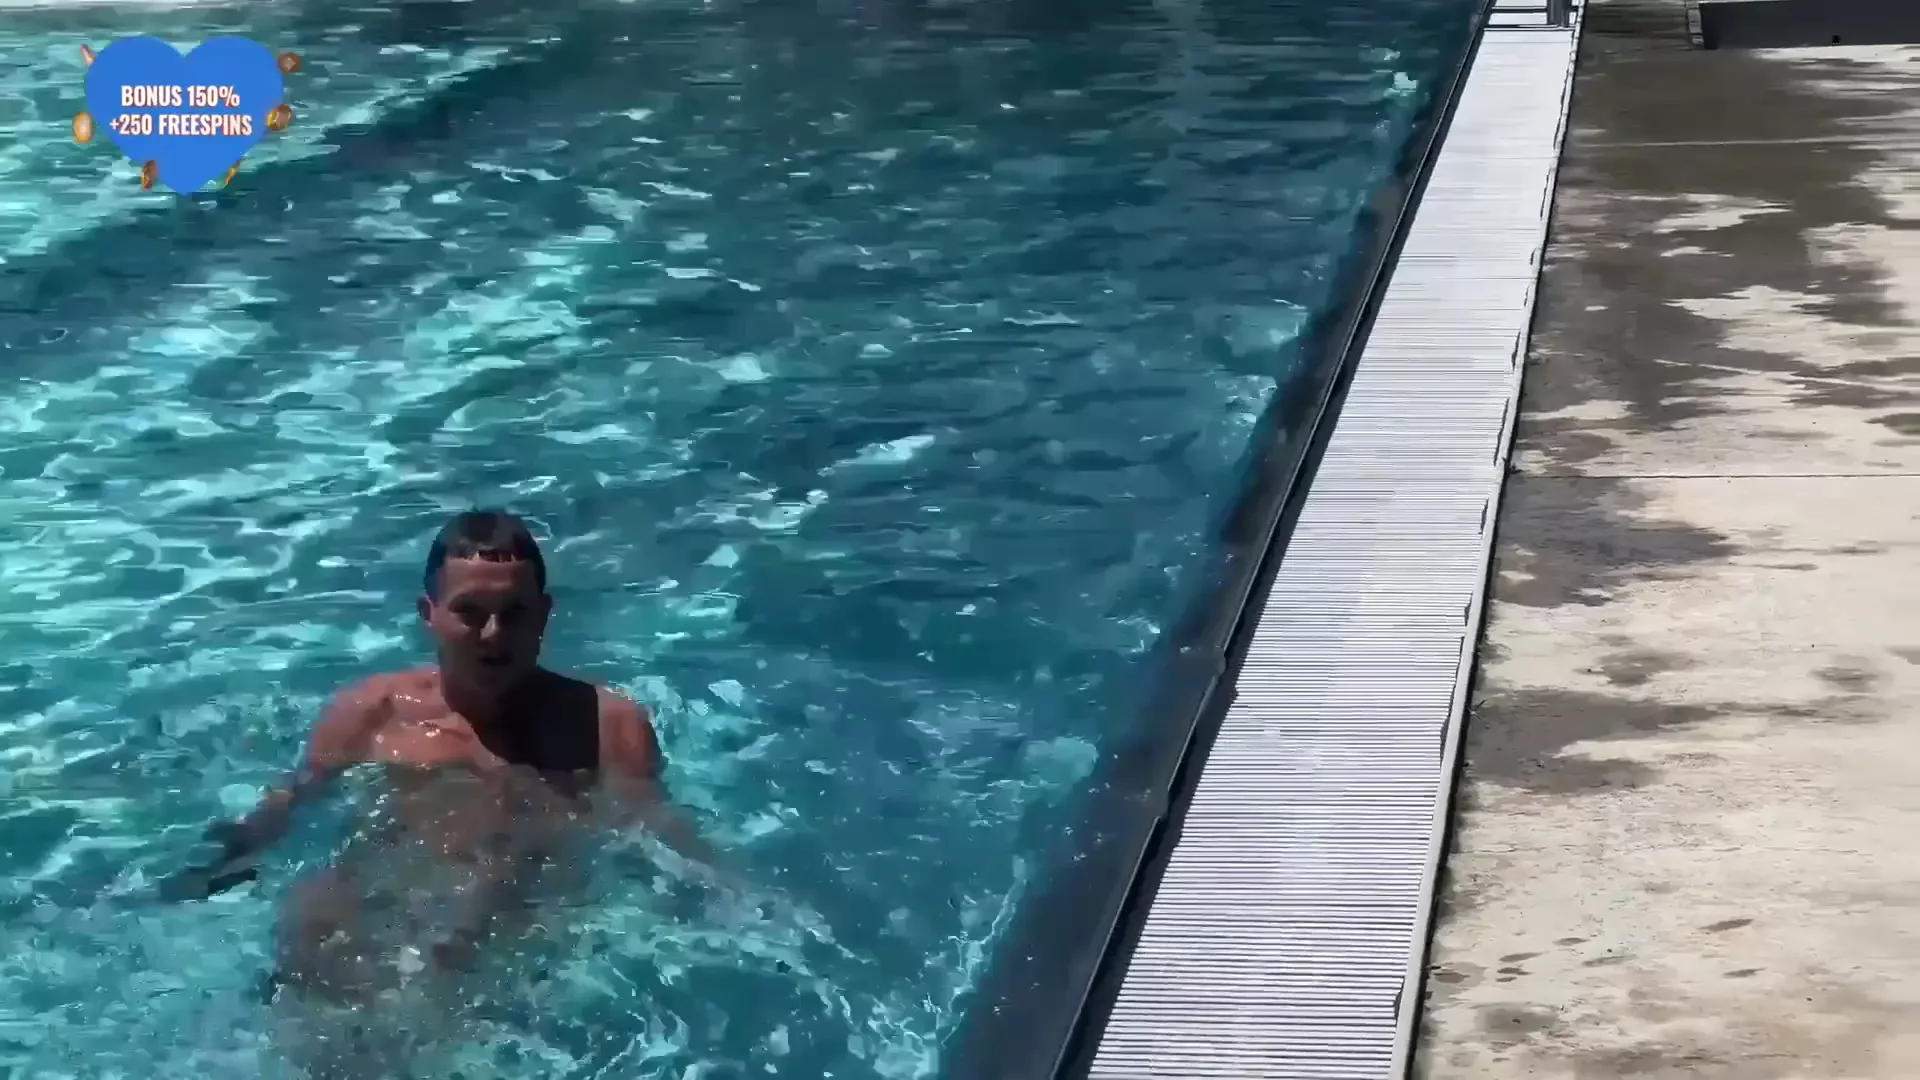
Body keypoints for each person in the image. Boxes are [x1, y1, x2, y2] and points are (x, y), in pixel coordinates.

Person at [161, 510, 735, 1068]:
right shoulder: (371, 715)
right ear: (429, 614)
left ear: (544, 614)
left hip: (499, 946)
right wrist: (220, 861)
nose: (493, 634)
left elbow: (657, 827)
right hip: (363, 929)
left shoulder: (606, 726)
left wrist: (733, 900)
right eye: (470, 612)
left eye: (514, 612)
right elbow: (292, 803)